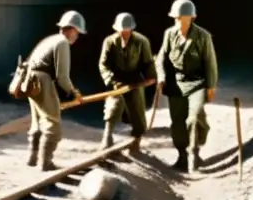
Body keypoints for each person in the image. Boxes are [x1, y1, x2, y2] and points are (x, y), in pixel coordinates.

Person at [155, 0, 218, 173]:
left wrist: (211, 86)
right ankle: (182, 155)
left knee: (194, 117)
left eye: (181, 18)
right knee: (177, 122)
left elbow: (210, 62)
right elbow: (161, 57)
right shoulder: (169, 34)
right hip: (176, 84)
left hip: (197, 83)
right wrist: (161, 77)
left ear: (191, 18)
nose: (178, 22)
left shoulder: (203, 36)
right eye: (175, 18)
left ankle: (195, 152)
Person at [23, 10, 86, 170]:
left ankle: (32, 159)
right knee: (53, 125)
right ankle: (45, 163)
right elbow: (62, 77)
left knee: (37, 121)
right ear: (71, 29)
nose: (77, 37)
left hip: (29, 80)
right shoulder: (62, 43)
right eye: (77, 33)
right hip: (42, 81)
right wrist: (74, 93)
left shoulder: (50, 40)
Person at [98, 13, 156, 151]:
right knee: (113, 105)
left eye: (126, 31)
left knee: (137, 112)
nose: (124, 34)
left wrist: (151, 77)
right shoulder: (109, 42)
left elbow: (148, 62)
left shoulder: (142, 42)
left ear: (131, 30)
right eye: (121, 31)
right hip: (117, 79)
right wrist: (110, 79)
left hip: (135, 79)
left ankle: (136, 141)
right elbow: (103, 64)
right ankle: (107, 136)